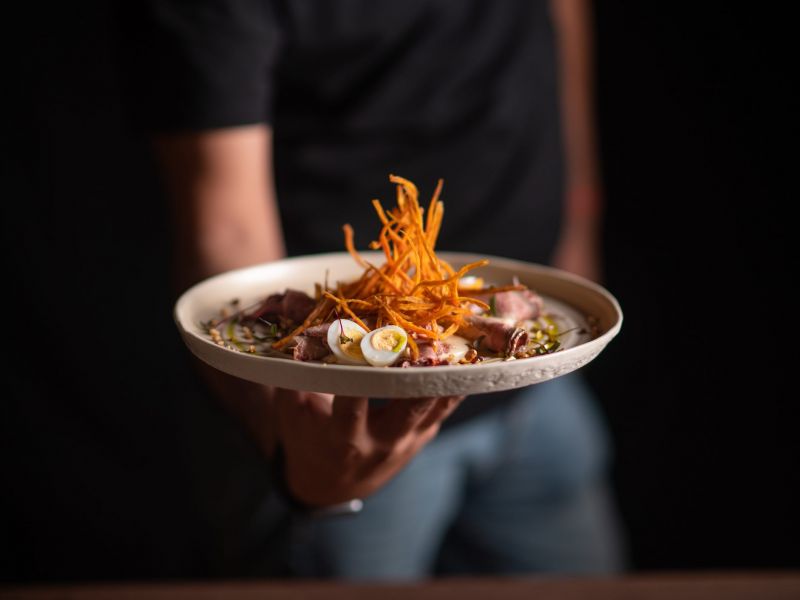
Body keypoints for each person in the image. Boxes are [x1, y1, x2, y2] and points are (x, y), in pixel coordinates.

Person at [123, 0, 625, 578]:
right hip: (348, 421)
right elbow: (225, 225)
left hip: (543, 369)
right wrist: (302, 461)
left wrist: (580, 207)